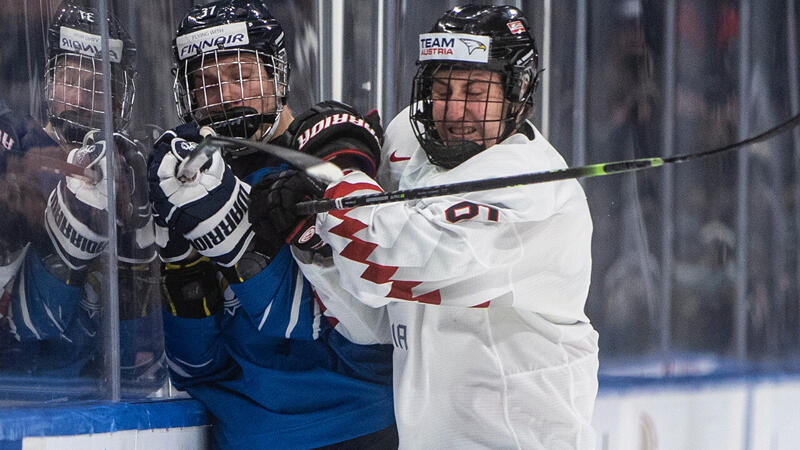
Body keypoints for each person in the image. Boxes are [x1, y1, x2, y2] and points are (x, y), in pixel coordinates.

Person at [252, 5, 599, 448]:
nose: (454, 111)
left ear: (518, 93)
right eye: (441, 88)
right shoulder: (409, 146)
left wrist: (336, 178)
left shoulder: (531, 191)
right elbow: (374, 321)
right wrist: (313, 243)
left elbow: (390, 262)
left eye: (475, 90)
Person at [147, 1, 396, 448]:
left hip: (357, 425)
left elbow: (369, 332)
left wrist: (325, 180)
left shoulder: (321, 146)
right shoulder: (184, 182)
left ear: (277, 75)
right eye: (205, 83)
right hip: (246, 434)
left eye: (240, 74)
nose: (224, 95)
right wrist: (180, 264)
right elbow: (194, 366)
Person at [0, 0, 162, 390]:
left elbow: (141, 358)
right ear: (48, 81)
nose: (83, 98)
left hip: (96, 401)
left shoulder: (143, 169)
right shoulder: (15, 148)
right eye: (70, 79)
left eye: (100, 85)